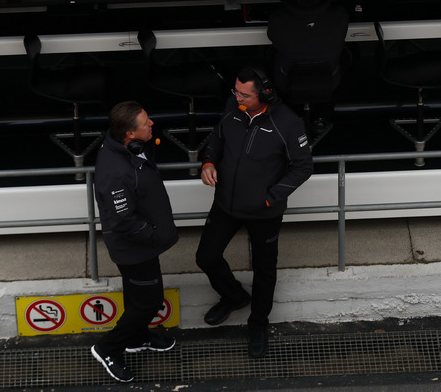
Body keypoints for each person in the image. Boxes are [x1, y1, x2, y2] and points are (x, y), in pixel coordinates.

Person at [196, 66, 313, 358]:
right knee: (206, 257)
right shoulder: (232, 107)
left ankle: (258, 324)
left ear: (265, 93)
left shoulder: (287, 122)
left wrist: (271, 198)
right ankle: (235, 296)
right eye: (235, 91)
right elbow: (217, 137)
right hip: (226, 203)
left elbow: (303, 166)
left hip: (264, 211)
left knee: (264, 271)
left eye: (245, 94)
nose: (238, 98)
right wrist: (208, 162)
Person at [90, 101, 179, 383]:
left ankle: (138, 337)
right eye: (145, 123)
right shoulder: (116, 172)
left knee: (136, 296)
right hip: (136, 249)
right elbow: (122, 221)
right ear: (129, 134)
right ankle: (108, 348)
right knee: (149, 302)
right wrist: (152, 235)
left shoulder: (128, 148)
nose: (151, 124)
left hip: (141, 244)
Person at [266, 0, 349, 130]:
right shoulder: (339, 14)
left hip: (286, 82)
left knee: (270, 54)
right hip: (330, 80)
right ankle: (322, 116)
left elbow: (272, 38)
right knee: (349, 52)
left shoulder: (278, 17)